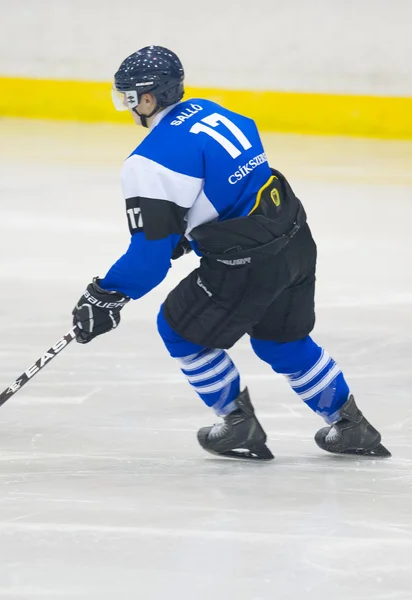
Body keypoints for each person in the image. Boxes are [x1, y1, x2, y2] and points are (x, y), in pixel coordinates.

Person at [71, 45, 390, 460]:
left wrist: (105, 294)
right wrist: (186, 230)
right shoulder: (211, 111)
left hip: (248, 262)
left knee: (179, 328)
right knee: (283, 340)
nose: (127, 107)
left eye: (128, 97)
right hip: (294, 240)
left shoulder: (147, 163)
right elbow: (232, 186)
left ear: (146, 98)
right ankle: (353, 426)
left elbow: (148, 260)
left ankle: (238, 423)